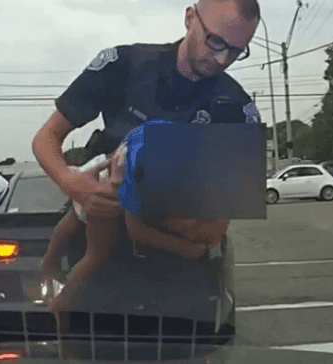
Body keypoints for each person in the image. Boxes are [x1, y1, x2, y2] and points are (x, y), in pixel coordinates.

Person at [32, 0, 261, 311]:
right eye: (216, 42)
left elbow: (215, 229)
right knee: (76, 346)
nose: (222, 58)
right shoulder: (124, 64)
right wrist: (71, 183)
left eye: (237, 50)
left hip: (181, 283)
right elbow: (46, 138)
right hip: (94, 264)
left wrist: (157, 215)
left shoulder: (238, 112)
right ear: (190, 18)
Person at [39, 123, 229, 315]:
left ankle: (50, 263)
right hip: (109, 188)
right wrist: (185, 248)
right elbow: (137, 229)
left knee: (71, 223)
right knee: (96, 255)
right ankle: (60, 303)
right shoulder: (149, 174)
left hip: (110, 167)